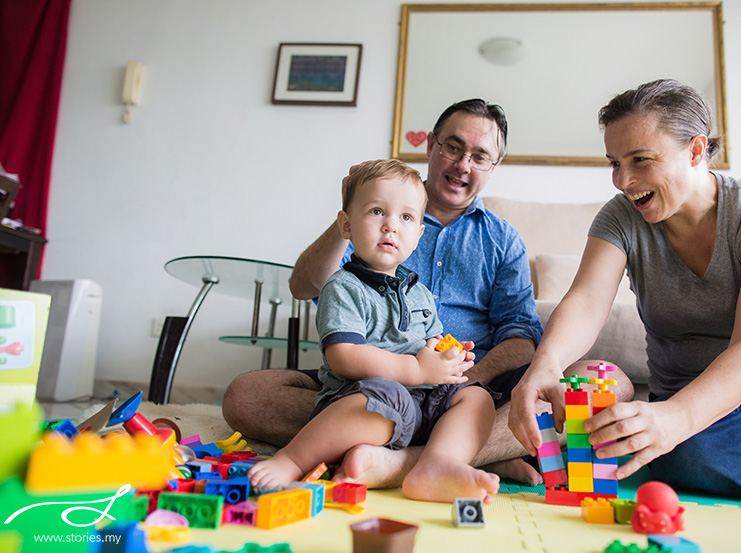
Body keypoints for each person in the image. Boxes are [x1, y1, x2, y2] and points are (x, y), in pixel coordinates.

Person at [223, 98, 634, 488]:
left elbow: (521, 336)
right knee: (246, 395)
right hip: (371, 377)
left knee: (607, 384)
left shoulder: (502, 239)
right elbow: (304, 286)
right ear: (431, 146)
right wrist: (352, 205)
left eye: (479, 156)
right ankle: (474, 453)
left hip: (468, 385)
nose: (462, 165)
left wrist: (461, 377)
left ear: (494, 167)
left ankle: (402, 462)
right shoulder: (378, 214)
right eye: (452, 147)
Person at [508, 79, 741, 510]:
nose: (622, 180)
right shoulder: (622, 217)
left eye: (640, 160)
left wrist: (678, 419)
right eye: (615, 163)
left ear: (696, 150)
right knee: (674, 451)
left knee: (676, 437)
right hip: (699, 409)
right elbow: (585, 301)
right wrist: (543, 367)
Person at [247, 159, 500, 502]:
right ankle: (292, 458)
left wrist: (449, 355)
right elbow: (343, 356)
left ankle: (436, 464)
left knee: (477, 397)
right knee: (381, 401)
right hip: (366, 397)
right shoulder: (344, 286)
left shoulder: (419, 292)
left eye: (406, 217)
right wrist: (415, 368)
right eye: (377, 212)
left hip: (424, 399)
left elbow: (432, 341)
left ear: (418, 235)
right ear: (346, 225)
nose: (391, 227)